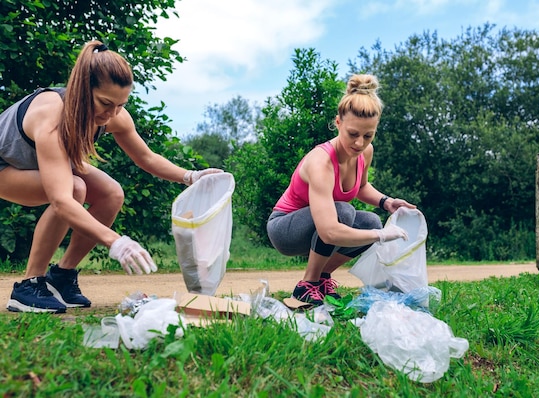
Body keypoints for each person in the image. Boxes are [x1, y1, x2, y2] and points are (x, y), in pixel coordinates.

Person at [0, 40, 222, 313]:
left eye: (120, 105)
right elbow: (60, 201)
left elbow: (146, 158)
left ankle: (62, 277)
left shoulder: (113, 114)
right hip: (5, 167)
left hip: (39, 163)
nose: (111, 115)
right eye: (105, 103)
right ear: (83, 90)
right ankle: (28, 286)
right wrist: (116, 242)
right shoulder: (52, 117)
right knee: (75, 189)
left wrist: (191, 176)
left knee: (111, 193)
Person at [266, 74, 416, 306]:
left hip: (324, 223)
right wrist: (382, 236)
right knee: (344, 213)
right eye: (353, 134)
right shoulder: (321, 162)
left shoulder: (365, 152)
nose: (359, 143)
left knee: (370, 221)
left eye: (368, 135)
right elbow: (329, 232)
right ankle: (308, 284)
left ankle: (323, 278)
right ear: (338, 123)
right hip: (284, 229)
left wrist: (386, 202)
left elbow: (362, 187)